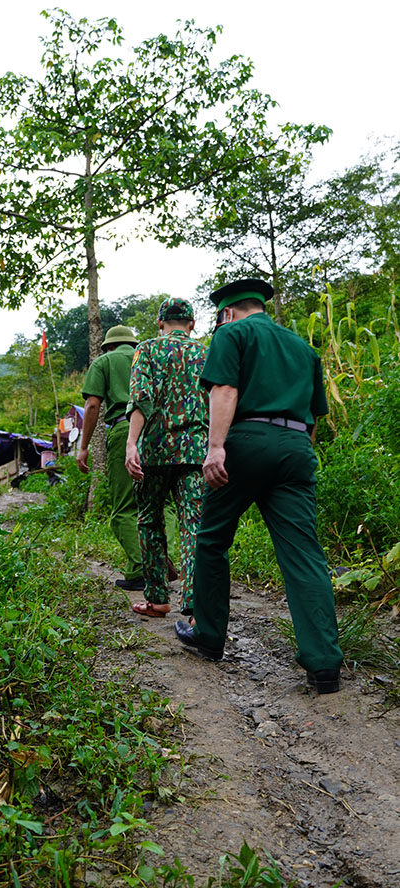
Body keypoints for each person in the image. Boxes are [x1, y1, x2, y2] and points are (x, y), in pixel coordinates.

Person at [173, 278, 344, 694]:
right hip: (296, 447)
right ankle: (324, 665)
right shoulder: (303, 348)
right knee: (304, 553)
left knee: (211, 540)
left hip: (246, 442)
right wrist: (294, 454)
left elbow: (225, 389)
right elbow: (314, 418)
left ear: (227, 312)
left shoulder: (232, 333)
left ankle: (209, 636)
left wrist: (216, 448)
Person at [125, 298, 208, 618]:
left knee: (149, 521)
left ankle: (158, 598)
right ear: (192, 324)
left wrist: (132, 444)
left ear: (160, 323)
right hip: (195, 452)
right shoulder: (206, 353)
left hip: (155, 451)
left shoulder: (146, 350)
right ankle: (194, 600)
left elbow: (141, 399)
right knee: (194, 525)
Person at [78, 325, 144, 588]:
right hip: (160, 433)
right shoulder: (147, 358)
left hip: (125, 428)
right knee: (163, 505)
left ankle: (144, 568)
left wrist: (84, 447)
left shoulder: (104, 361)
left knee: (124, 509)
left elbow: (93, 404)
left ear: (108, 346)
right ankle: (165, 558)